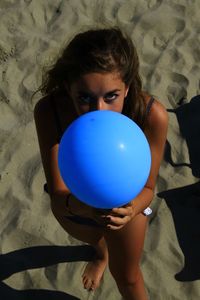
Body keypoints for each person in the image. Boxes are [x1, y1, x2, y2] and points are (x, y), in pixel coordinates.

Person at [34, 27, 168, 300]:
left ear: (127, 87)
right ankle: (101, 254)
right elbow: (59, 196)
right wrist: (82, 206)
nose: (98, 112)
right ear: (68, 88)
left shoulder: (152, 115)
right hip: (75, 206)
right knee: (95, 239)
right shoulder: (50, 111)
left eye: (111, 96)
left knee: (128, 279)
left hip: (126, 206)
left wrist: (131, 211)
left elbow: (147, 188)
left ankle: (108, 254)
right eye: (84, 97)